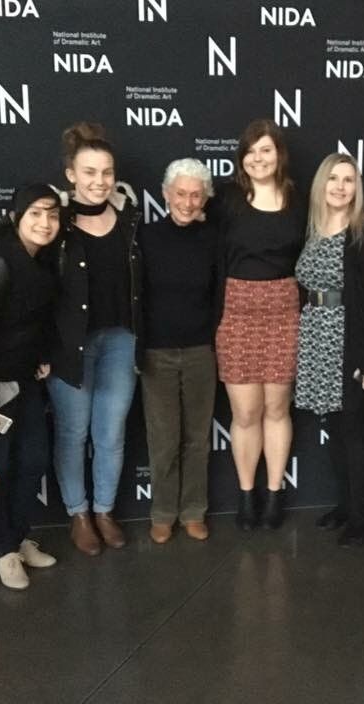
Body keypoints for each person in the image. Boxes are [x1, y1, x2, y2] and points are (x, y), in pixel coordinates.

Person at [47, 122, 142, 555]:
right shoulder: (54, 224)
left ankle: (104, 510)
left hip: (121, 341)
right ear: (71, 174)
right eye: (89, 172)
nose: (99, 181)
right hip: (71, 345)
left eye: (106, 172)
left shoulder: (129, 220)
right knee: (73, 433)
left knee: (111, 432)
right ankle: (79, 514)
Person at [0, 184, 60, 589]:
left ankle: (18, 538)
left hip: (25, 383)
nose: (45, 222)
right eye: (35, 213)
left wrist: (40, 357)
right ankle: (2, 549)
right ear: (17, 217)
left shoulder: (41, 262)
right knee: (0, 471)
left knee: (34, 462)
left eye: (52, 214)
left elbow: (30, 322)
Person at [294, 153, 364, 546]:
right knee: (335, 430)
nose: (340, 186)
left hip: (350, 342)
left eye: (348, 180)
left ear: (357, 188)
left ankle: (359, 517)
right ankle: (343, 505)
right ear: (321, 184)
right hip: (317, 339)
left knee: (355, 433)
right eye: (333, 178)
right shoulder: (313, 228)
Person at [213, 119, 305, 530]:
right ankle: (246, 494)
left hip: (284, 309)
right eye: (250, 151)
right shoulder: (227, 199)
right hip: (236, 310)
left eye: (265, 150)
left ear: (278, 154)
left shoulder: (298, 199)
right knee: (246, 412)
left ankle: (274, 493)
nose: (257, 158)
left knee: (276, 408)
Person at [139, 159, 218, 544]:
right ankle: (163, 512)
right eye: (180, 194)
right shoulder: (146, 236)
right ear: (166, 194)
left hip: (202, 350)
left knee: (198, 438)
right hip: (158, 353)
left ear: (205, 198)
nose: (187, 202)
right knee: (164, 439)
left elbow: (219, 295)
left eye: (195, 195)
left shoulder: (214, 239)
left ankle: (193, 511)